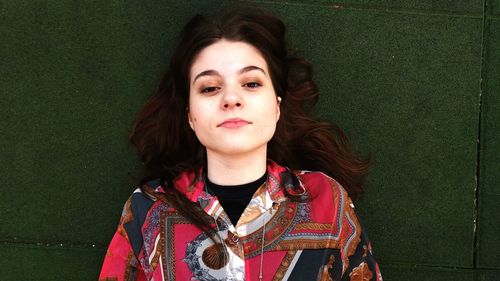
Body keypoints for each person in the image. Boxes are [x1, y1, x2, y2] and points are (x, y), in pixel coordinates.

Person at [99, 5, 382, 281]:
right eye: (210, 88)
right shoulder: (147, 210)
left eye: (251, 83)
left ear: (277, 106)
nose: (231, 99)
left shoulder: (327, 201)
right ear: (190, 115)